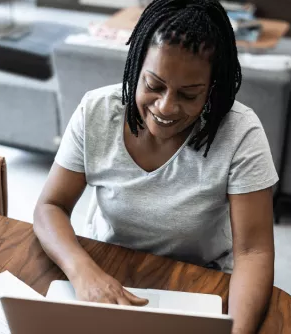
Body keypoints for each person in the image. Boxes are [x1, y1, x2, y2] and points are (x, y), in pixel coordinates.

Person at [33, 0, 277, 332]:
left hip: (198, 279)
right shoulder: (96, 112)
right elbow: (50, 206)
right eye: (154, 85)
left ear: (212, 90)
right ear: (135, 68)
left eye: (189, 95)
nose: (166, 107)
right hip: (106, 268)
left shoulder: (241, 133)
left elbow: (253, 251)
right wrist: (82, 272)